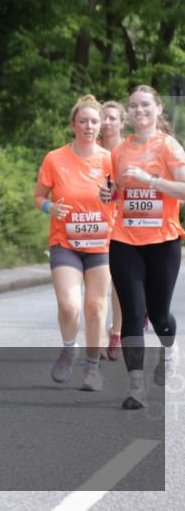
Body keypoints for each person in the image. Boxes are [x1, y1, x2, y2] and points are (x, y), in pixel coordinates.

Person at [106, 85, 185, 409]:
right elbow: (115, 190)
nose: (139, 111)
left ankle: (170, 350)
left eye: (145, 106)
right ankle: (136, 387)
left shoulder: (168, 146)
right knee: (133, 315)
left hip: (163, 242)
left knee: (159, 314)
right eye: (134, 106)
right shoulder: (119, 151)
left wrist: (150, 180)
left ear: (157, 111)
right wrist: (107, 194)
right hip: (125, 240)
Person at [33, 95, 115, 392]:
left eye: (94, 121)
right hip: (65, 242)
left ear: (101, 126)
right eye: (83, 121)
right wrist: (49, 208)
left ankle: (92, 370)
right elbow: (39, 197)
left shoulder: (109, 159)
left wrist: (112, 197)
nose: (89, 126)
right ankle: (69, 347)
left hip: (101, 244)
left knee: (95, 307)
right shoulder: (55, 158)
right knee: (69, 307)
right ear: (73, 124)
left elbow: (120, 196)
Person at [99, 101, 127, 360]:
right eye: (102, 118)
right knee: (101, 282)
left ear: (121, 123)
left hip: (126, 223)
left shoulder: (128, 152)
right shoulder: (91, 152)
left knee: (119, 280)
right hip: (97, 224)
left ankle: (117, 331)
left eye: (111, 118)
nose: (106, 123)